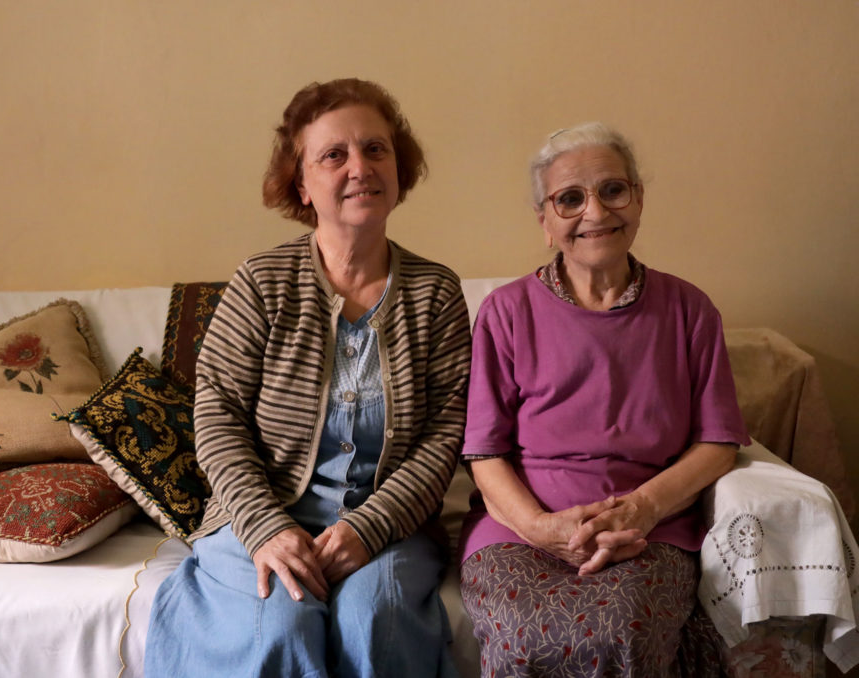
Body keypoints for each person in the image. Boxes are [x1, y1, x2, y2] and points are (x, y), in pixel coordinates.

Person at [145, 78, 472, 678]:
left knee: (377, 619)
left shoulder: (435, 291)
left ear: (400, 168)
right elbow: (216, 415)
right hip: (261, 514)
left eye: (376, 149)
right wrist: (268, 527)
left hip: (390, 524)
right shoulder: (262, 281)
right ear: (301, 183)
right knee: (281, 625)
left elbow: (445, 435)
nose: (360, 168)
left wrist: (368, 528)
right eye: (334, 155)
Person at [458, 122, 750, 676]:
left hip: (649, 530)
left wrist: (642, 509)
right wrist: (542, 527)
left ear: (638, 200)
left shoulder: (689, 310)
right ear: (545, 223)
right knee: (524, 634)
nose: (595, 212)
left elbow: (717, 443)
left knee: (626, 626)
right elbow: (483, 454)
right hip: (520, 531)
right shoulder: (505, 312)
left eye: (613, 190)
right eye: (570, 199)